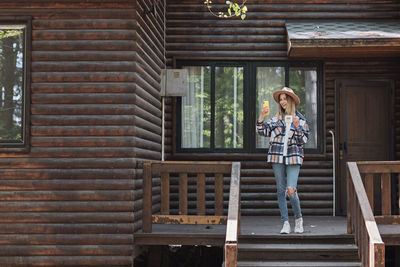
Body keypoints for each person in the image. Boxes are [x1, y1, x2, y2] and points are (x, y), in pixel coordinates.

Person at [256, 87, 310, 234]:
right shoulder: (275, 119)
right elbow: (262, 130)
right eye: (281, 99)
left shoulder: (301, 119)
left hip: (293, 157)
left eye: (285, 98)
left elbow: (303, 140)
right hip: (277, 157)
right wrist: (262, 115)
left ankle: (298, 219)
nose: (283, 101)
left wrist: (297, 126)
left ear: (291, 100)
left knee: (291, 190)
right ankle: (285, 222)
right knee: (280, 190)